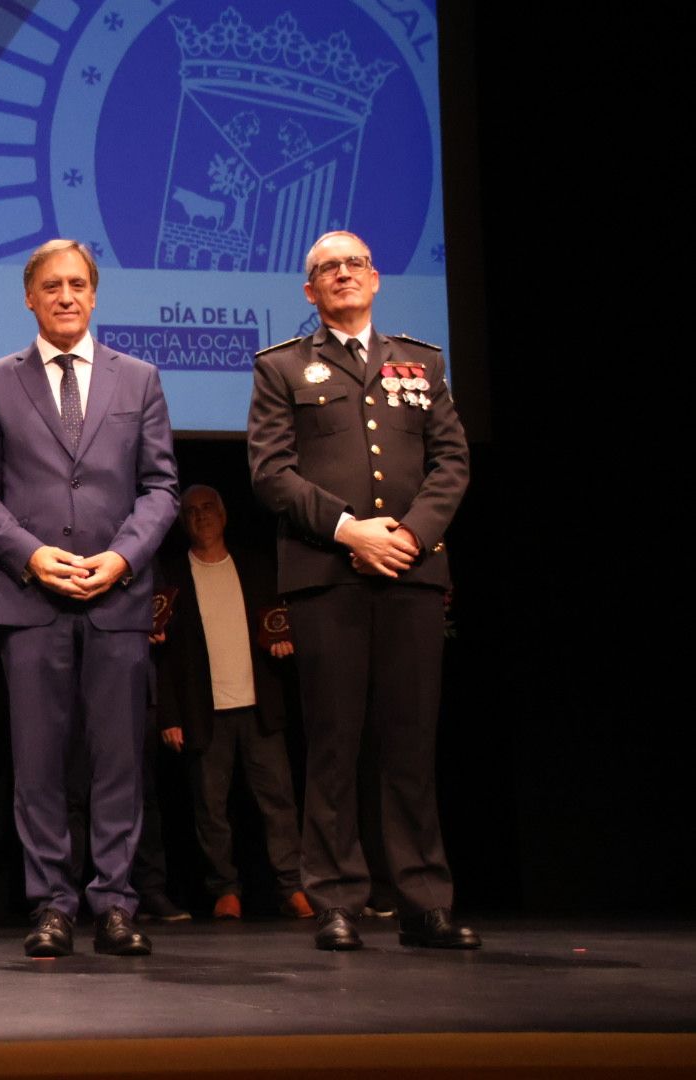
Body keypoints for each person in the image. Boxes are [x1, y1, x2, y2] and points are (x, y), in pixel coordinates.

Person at [247, 230, 476, 951]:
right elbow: (270, 472)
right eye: (326, 270)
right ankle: (337, 899)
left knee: (410, 741)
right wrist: (351, 531)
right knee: (335, 744)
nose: (342, 275)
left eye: (353, 264)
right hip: (328, 576)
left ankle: (422, 899)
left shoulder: (423, 361)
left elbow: (451, 460)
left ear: (375, 279)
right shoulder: (282, 367)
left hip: (411, 573)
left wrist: (409, 534)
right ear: (309, 292)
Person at [0, 239, 180, 957]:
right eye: (51, 285)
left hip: (117, 594)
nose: (65, 296)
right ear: (29, 297)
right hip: (33, 597)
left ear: (94, 294)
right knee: (39, 761)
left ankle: (114, 901)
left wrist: (121, 557)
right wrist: (29, 554)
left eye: (78, 284)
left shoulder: (138, 378)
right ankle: (51, 902)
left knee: (118, 760)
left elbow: (162, 487)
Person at [154, 485, 311, 920]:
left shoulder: (258, 567)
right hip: (204, 712)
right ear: (182, 522)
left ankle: (291, 887)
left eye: (208, 508)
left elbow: (281, 625)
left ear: (224, 515)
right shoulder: (171, 577)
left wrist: (285, 645)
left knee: (279, 802)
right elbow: (161, 656)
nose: (201, 517)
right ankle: (225, 890)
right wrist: (169, 715)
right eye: (191, 512)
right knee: (211, 809)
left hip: (260, 706)